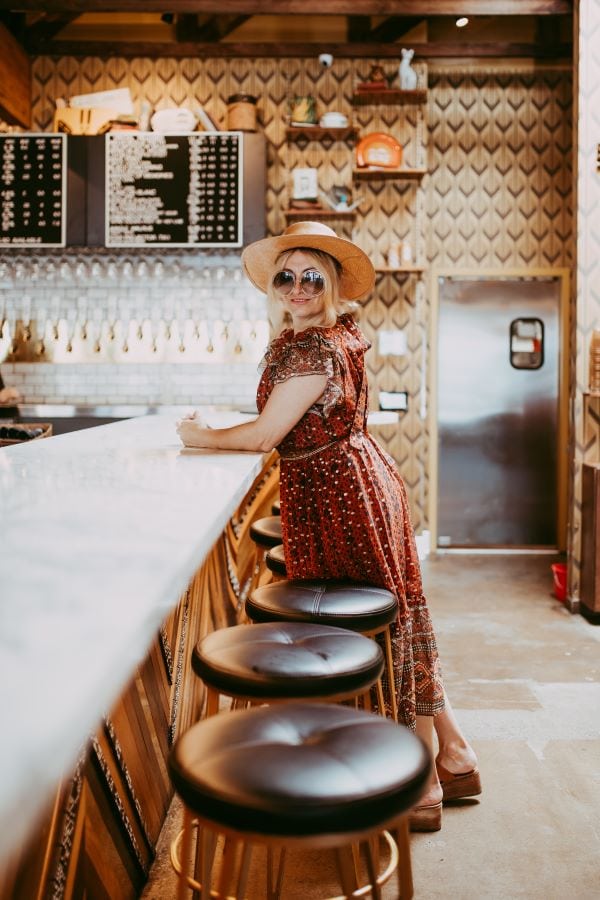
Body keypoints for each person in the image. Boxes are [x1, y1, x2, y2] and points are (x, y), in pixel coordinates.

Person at [176, 221, 481, 830]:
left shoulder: (312, 346)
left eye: (312, 276)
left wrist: (202, 436)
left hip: (341, 494)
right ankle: (455, 754)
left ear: (333, 283)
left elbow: (266, 434)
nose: (297, 286)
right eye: (285, 276)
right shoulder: (325, 336)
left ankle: (419, 781)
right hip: (351, 484)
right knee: (401, 612)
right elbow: (284, 418)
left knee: (387, 627)